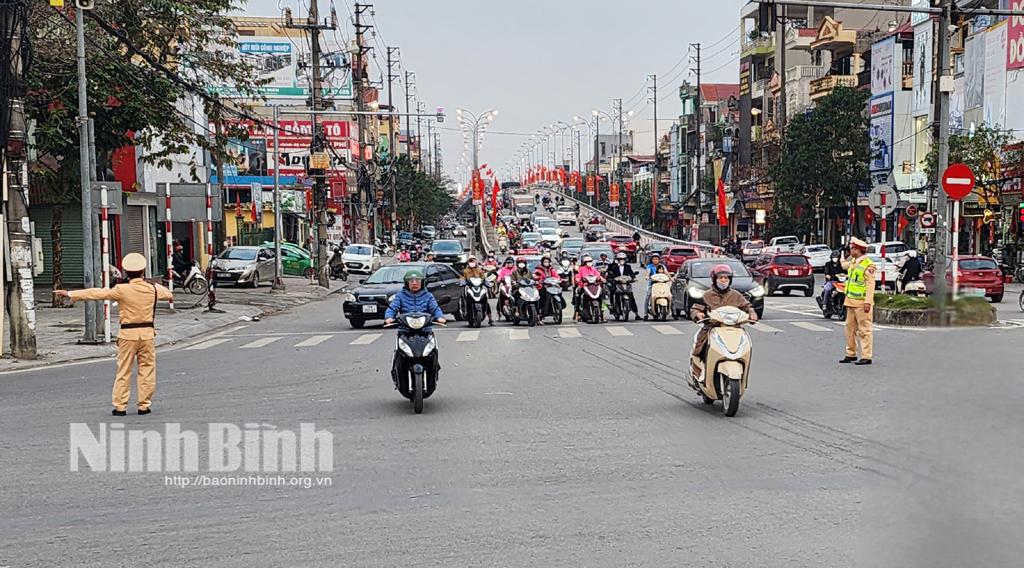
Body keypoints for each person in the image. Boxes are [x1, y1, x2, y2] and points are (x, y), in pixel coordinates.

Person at [55, 253, 174, 416]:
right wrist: (147, 283)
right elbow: (168, 294)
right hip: (147, 334)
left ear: (126, 272)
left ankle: (120, 406)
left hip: (127, 334)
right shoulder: (153, 289)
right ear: (143, 271)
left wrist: (71, 294)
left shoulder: (121, 290)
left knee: (124, 370)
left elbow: (97, 293)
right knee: (147, 369)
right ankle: (144, 405)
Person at [688, 264, 758, 381]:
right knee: (700, 348)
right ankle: (699, 372)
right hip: (712, 328)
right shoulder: (707, 295)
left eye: (726, 278)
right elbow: (696, 308)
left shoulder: (736, 295)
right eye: (721, 278)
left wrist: (752, 313)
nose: (724, 280)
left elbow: (747, 306)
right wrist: (698, 314)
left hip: (734, 329)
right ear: (714, 279)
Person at [385, 270, 446, 381]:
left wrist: (440, 317)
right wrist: (389, 317)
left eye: (417, 281)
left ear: (422, 283)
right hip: (405, 331)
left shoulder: (428, 296)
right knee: (399, 352)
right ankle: (397, 368)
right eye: (411, 281)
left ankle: (434, 368)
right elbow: (392, 308)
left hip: (425, 331)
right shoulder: (400, 296)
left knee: (433, 351)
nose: (414, 283)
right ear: (406, 283)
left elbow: (435, 308)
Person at [840, 237, 876, 365]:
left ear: (858, 250)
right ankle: (851, 353)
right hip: (850, 300)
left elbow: (870, 285)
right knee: (849, 329)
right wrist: (841, 256)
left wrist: (868, 302)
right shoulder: (854, 261)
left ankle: (866, 356)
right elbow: (844, 266)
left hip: (862, 303)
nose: (850, 250)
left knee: (864, 330)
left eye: (852, 248)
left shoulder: (868, 265)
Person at [461, 256, 494, 326]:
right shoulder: (466, 271)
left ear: (476, 261)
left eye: (473, 261)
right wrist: (462, 281)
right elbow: (463, 278)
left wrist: (487, 283)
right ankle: (469, 318)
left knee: (486, 302)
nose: (472, 263)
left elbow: (483, 278)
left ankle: (490, 319)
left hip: (479, 288)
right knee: (468, 302)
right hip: (470, 289)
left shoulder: (479, 270)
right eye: (470, 261)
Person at [606, 252, 639, 317]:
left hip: (626, 283)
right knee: (612, 292)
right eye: (620, 259)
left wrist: (633, 278)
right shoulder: (614, 267)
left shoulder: (628, 267)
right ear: (617, 259)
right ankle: (613, 307)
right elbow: (609, 274)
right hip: (617, 284)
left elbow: (631, 274)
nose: (622, 260)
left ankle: (636, 314)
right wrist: (611, 278)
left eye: (623, 259)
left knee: (631, 297)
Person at [573, 254, 606, 322]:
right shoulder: (581, 269)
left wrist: (602, 279)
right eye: (588, 261)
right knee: (579, 297)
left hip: (594, 286)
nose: (589, 263)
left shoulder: (593, 269)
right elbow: (577, 276)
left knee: (601, 296)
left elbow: (598, 275)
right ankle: (579, 313)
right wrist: (578, 279)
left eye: (590, 261)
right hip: (584, 286)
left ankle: (601, 314)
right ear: (584, 263)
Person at [643, 253, 666, 321]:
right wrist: (647, 276)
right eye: (654, 259)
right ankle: (645, 314)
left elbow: (666, 272)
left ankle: (673, 312)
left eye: (656, 259)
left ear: (659, 260)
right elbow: (648, 272)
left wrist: (671, 278)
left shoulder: (662, 266)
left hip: (662, 284)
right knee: (648, 297)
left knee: (669, 295)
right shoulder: (649, 266)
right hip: (652, 285)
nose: (655, 260)